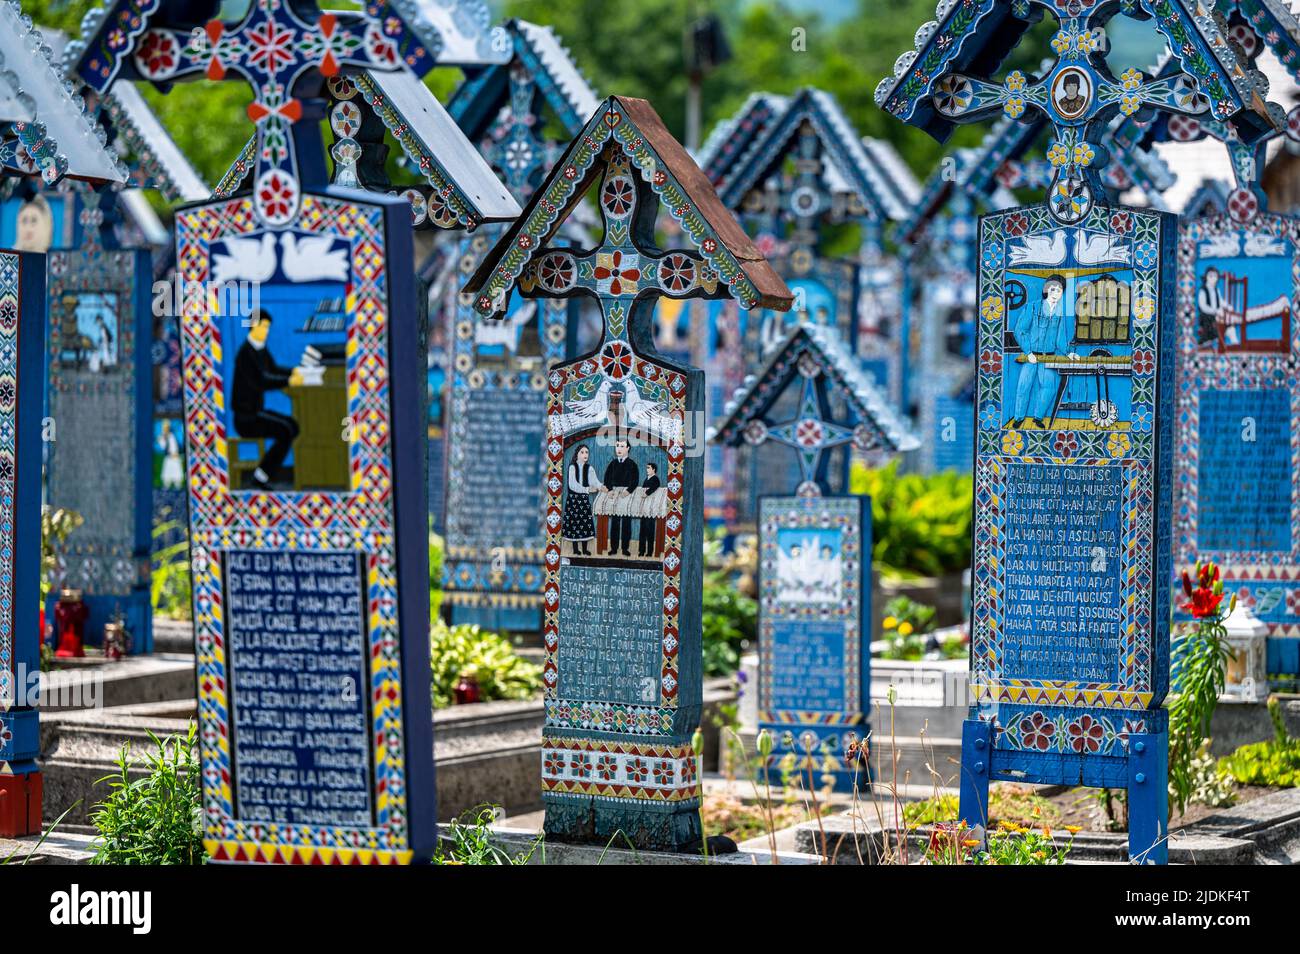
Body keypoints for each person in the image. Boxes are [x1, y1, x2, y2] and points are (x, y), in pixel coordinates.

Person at [231, 309, 316, 489]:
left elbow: (273, 369)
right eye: (263, 327)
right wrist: (289, 381)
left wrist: (293, 371)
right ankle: (261, 476)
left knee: (292, 426)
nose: (267, 331)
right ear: (253, 326)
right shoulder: (245, 354)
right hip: (246, 418)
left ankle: (262, 473)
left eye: (268, 327)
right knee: (286, 430)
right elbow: (261, 381)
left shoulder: (259, 348)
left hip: (256, 412)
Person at [1008, 275, 1077, 428]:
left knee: (1049, 388)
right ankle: (1019, 418)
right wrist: (1028, 352)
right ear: (1046, 290)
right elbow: (1020, 330)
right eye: (1053, 289)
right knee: (1023, 386)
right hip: (1031, 357)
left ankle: (1038, 417)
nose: (1056, 292)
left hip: (1049, 358)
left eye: (1059, 290)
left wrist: (1068, 352)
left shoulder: (1059, 312)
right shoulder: (1032, 307)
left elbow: (1060, 337)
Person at [602, 439, 639, 557]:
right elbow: (607, 478)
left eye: (622, 446)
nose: (619, 448)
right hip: (615, 497)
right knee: (615, 523)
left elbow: (635, 481)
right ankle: (613, 548)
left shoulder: (632, 464)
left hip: (627, 496)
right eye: (617, 446)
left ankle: (625, 548)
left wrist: (628, 491)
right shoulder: (612, 464)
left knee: (626, 524)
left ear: (628, 448)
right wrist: (610, 489)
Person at [563, 444, 598, 555]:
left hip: (583, 500)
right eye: (582, 452)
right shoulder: (572, 467)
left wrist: (602, 487)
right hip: (574, 500)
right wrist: (587, 489)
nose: (585, 455)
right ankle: (575, 549)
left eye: (587, 452)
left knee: (585, 523)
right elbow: (573, 485)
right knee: (574, 523)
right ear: (577, 454)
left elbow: (595, 482)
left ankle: (585, 549)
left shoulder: (589, 468)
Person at [1196, 267, 1227, 346]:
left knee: (1222, 320)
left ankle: (1217, 337)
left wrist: (1226, 305)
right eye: (1210, 276)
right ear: (1206, 277)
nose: (1213, 278)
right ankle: (1206, 341)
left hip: (1215, 314)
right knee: (1209, 324)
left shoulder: (1216, 289)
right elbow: (1203, 306)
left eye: (1215, 276)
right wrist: (1215, 311)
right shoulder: (1203, 290)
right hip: (1206, 315)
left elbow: (1220, 301)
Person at [636, 462, 661, 558]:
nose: (647, 469)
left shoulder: (655, 479)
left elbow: (654, 487)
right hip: (644, 508)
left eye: (648, 468)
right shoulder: (646, 479)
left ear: (653, 469)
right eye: (646, 468)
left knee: (650, 531)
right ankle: (641, 551)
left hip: (651, 509)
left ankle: (649, 552)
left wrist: (646, 493)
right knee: (642, 531)